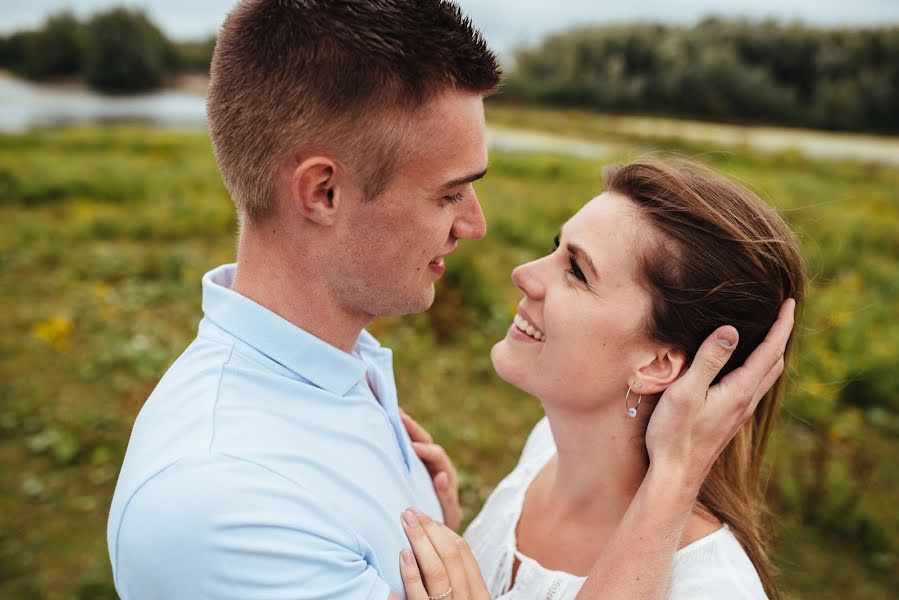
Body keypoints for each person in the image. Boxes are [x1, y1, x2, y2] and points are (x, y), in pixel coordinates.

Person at [106, 1, 795, 598]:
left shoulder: (344, 370)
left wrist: (433, 519)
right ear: (323, 193)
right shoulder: (220, 504)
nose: (477, 227)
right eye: (447, 192)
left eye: (576, 269)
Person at [396, 160, 803, 600]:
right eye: (557, 246)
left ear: (657, 364)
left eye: (576, 270)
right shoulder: (544, 451)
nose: (525, 274)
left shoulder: (712, 589)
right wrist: (454, 554)